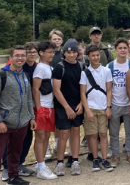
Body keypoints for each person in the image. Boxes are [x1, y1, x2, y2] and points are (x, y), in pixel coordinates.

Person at [0, 46, 36, 185]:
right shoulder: (0, 76)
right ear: (11, 58)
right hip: (4, 123)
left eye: (22, 55)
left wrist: (31, 117)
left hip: (21, 123)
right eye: (17, 55)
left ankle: (13, 176)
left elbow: (27, 98)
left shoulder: (25, 75)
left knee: (15, 153)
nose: (20, 58)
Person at [1, 42, 37, 181]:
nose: (30, 55)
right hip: (11, 111)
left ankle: (18, 164)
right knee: (9, 141)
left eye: (33, 52)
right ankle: (6, 167)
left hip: (27, 109)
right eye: (28, 52)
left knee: (26, 138)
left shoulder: (35, 67)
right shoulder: (8, 70)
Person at [52, 39, 85, 176]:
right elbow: (56, 90)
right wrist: (67, 107)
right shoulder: (60, 67)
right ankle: (59, 162)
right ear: (64, 53)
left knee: (76, 131)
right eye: (68, 52)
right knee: (64, 133)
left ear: (77, 53)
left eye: (74, 52)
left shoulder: (82, 66)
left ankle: (75, 160)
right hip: (62, 106)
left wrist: (81, 104)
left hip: (77, 104)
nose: (71, 55)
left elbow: (84, 88)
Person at [80, 45, 114, 172]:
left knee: (103, 134)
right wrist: (87, 110)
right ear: (88, 57)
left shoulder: (106, 71)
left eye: (97, 55)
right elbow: (82, 93)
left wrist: (108, 107)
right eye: (93, 55)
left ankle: (104, 159)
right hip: (91, 108)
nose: (95, 58)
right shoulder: (85, 73)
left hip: (103, 107)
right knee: (92, 135)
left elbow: (109, 90)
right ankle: (95, 158)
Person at [107, 38, 130, 168]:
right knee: (114, 131)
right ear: (115, 50)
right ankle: (115, 155)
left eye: (125, 48)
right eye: (120, 48)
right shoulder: (110, 66)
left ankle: (129, 154)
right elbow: (107, 87)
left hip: (129, 103)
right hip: (115, 103)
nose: (123, 50)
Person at [32, 41, 58, 180]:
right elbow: (35, 88)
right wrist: (39, 107)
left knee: (46, 137)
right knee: (41, 137)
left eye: (53, 52)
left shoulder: (49, 67)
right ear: (41, 53)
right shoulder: (40, 68)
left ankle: (40, 164)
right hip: (42, 107)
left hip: (50, 107)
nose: (52, 54)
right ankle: (41, 166)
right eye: (49, 52)